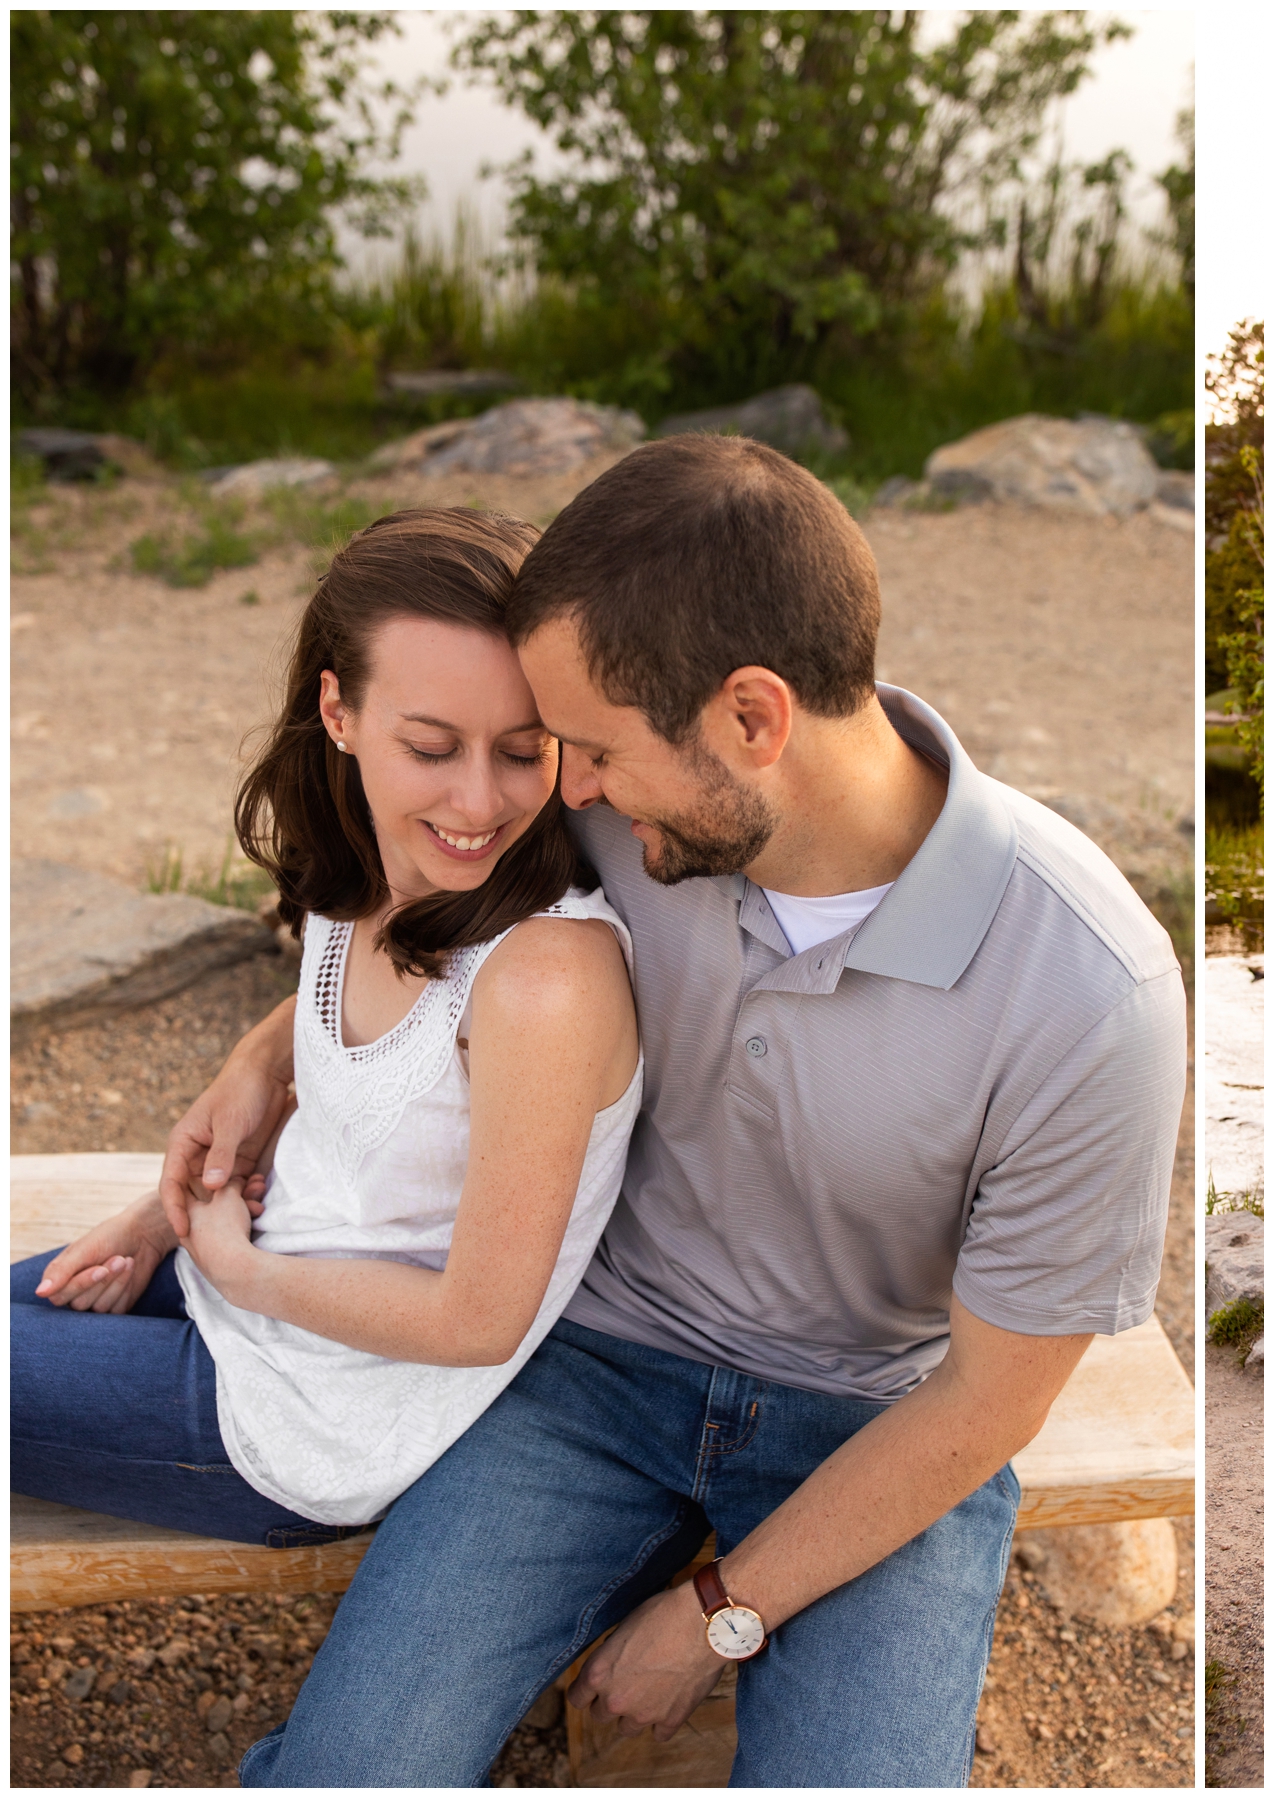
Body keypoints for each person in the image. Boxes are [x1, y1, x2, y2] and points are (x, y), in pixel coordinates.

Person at [163, 435, 1187, 1787]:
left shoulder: (1087, 989)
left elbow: (989, 1405)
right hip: (582, 1376)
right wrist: (262, 1060)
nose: (557, 789)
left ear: (753, 719)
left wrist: (717, 1612)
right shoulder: (633, 815)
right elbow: (408, 940)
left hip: (876, 1420)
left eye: (587, 749)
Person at [11, 508, 641, 1545]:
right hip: (242, 1279)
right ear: (338, 713)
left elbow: (480, 1321)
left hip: (306, 1413)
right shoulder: (376, 870)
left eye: (526, 751)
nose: (480, 800)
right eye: (431, 746)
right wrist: (174, 1202)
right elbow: (381, 1037)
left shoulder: (545, 978)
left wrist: (234, 1267)